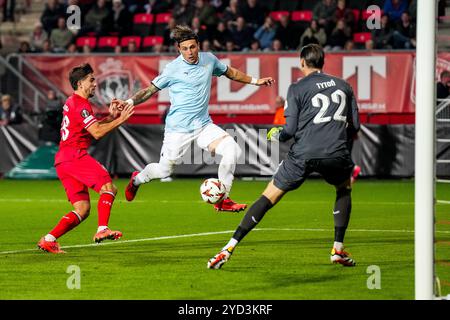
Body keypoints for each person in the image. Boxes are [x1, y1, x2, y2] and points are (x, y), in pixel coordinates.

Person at [207, 44, 360, 269]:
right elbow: (355, 126)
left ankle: (228, 248)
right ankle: (337, 249)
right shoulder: (344, 85)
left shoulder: (296, 88)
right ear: (323, 62)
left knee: (268, 197)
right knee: (344, 189)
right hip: (335, 152)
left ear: (301, 63)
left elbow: (289, 131)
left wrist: (276, 134)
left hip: (303, 153)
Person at [115, 25, 274, 212]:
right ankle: (137, 179)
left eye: (192, 47)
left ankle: (224, 199)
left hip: (203, 125)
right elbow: (149, 91)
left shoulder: (209, 59)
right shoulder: (172, 69)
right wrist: (129, 101)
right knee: (165, 171)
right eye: (185, 49)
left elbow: (230, 72)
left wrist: (256, 81)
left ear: (198, 45)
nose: (189, 52)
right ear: (178, 50)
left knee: (233, 149)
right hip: (178, 129)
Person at [37, 63, 135, 254]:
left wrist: (110, 117)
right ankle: (102, 229)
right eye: (91, 80)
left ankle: (48, 240)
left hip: (63, 160)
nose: (95, 84)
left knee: (82, 209)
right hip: (75, 156)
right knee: (109, 187)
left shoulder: (72, 102)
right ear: (80, 83)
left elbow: (90, 130)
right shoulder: (80, 104)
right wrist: (120, 120)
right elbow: (97, 133)